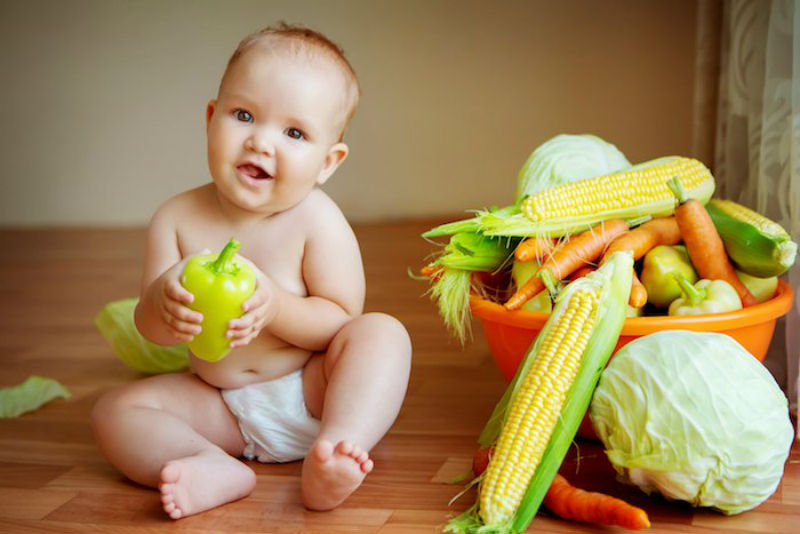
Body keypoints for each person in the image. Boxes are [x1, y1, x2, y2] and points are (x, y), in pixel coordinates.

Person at [91, 23, 412, 520]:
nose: (261, 142)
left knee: (382, 335)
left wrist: (276, 308)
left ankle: (338, 447)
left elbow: (340, 317)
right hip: (220, 406)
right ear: (210, 118)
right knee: (115, 411)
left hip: (312, 390)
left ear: (328, 162)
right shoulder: (175, 218)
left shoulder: (316, 220)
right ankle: (207, 462)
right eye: (244, 116)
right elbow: (151, 330)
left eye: (294, 133)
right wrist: (163, 304)